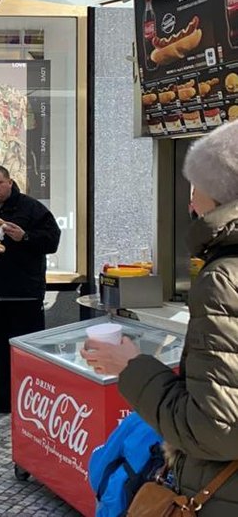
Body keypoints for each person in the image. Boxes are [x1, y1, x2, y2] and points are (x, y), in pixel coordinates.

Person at [82, 123, 238, 516]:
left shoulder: (224, 276)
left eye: (195, 186)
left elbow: (213, 430)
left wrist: (131, 367)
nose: (190, 202)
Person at [0, 165, 60, 415]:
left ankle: (32, 401)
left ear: (9, 182)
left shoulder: (31, 207)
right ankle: (0, 399)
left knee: (27, 350)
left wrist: (25, 237)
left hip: (24, 293)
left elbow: (52, 240)